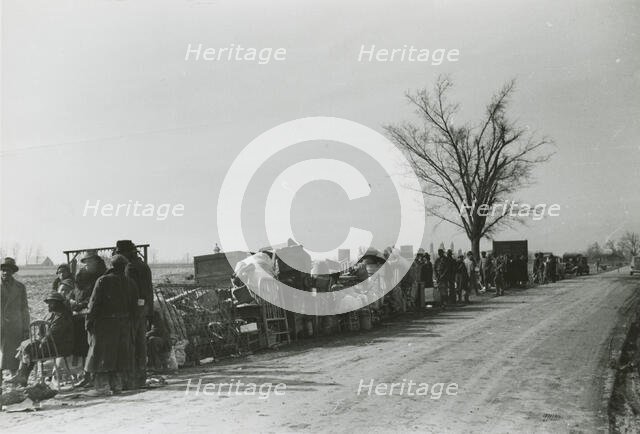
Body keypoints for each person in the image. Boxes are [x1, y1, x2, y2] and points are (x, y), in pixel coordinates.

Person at [85, 254, 138, 396]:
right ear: (124, 266)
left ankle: (102, 387)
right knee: (120, 356)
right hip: (124, 325)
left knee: (102, 355)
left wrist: (89, 322)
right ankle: (117, 386)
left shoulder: (102, 281)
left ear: (112, 265)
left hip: (105, 325)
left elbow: (94, 304)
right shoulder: (131, 283)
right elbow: (135, 308)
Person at [7, 292, 74, 386]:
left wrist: (40, 342)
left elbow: (53, 335)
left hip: (59, 347)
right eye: (48, 303)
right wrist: (39, 340)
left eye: (51, 303)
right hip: (49, 345)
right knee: (27, 345)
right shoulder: (51, 315)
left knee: (30, 348)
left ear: (58, 304)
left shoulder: (63, 318)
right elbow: (41, 331)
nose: (48, 305)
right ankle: (21, 376)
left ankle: (22, 376)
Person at [116, 240, 153, 389]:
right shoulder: (143, 265)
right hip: (144, 309)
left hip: (135, 310)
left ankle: (132, 380)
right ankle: (140, 378)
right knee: (140, 343)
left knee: (132, 344)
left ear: (126, 253)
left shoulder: (130, 268)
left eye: (120, 253)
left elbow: (132, 291)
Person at [1, 257, 30, 378]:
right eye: (3, 269)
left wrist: (26, 327)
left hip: (15, 326)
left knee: (14, 354)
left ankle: (14, 379)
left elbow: (24, 308)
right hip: (1, 325)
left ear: (13, 272)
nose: (5, 272)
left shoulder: (20, 287)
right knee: (1, 354)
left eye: (8, 270)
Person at [146, 302, 170, 373]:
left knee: (152, 341)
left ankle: (155, 366)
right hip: (147, 338)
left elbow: (156, 329)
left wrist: (145, 335)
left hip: (161, 339)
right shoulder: (139, 316)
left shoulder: (154, 314)